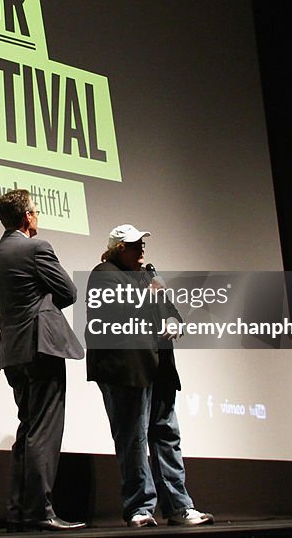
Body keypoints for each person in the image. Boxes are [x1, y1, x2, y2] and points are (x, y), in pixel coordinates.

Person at [86, 224, 214, 527]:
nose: (142, 249)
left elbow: (170, 309)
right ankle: (139, 508)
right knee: (133, 440)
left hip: (159, 370)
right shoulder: (103, 274)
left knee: (167, 436)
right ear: (119, 249)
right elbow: (116, 313)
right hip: (126, 372)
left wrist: (173, 320)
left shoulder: (147, 277)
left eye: (142, 243)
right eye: (134, 245)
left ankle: (179, 507)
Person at [0, 189, 86, 532]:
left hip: (13, 351)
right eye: (36, 211)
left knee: (27, 429)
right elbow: (70, 292)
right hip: (41, 346)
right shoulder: (36, 247)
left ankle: (20, 511)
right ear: (27, 217)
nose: (38, 216)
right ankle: (41, 511)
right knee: (43, 431)